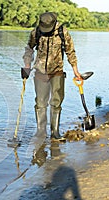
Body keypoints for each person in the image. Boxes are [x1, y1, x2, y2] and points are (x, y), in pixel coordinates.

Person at [21, 12, 82, 142]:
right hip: (40, 72)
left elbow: (70, 52)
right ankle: (41, 132)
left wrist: (75, 70)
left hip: (57, 72)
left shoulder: (62, 32)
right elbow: (29, 49)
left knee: (56, 102)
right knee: (40, 103)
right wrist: (27, 65)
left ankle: (55, 133)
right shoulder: (36, 32)